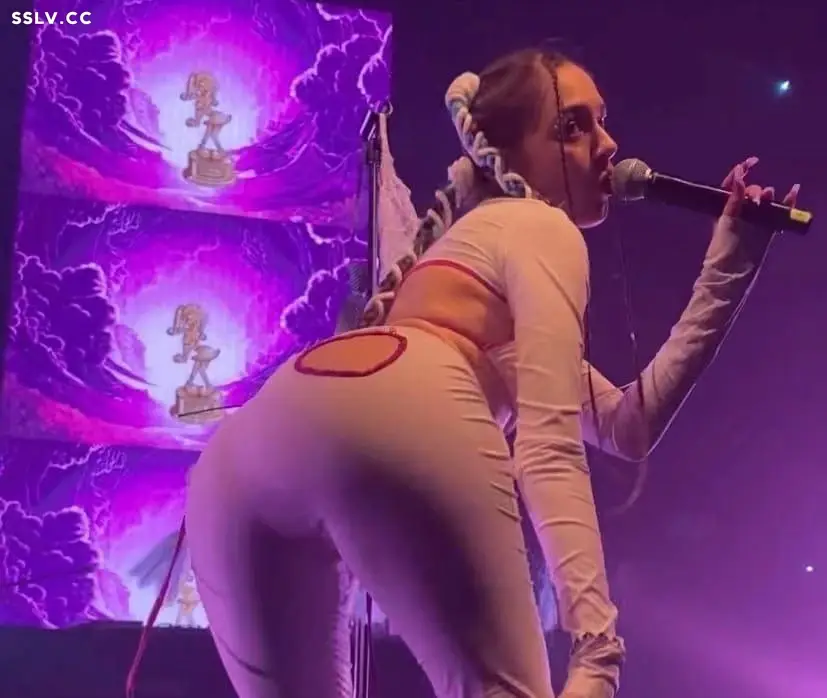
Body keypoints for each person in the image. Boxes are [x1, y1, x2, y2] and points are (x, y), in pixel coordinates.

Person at [184, 47, 799, 698]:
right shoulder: (536, 224)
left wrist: (728, 267)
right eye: (572, 126)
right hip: (400, 402)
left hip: (247, 448)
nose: (607, 143)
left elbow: (626, 427)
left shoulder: (465, 260)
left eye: (602, 120)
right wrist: (596, 649)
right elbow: (548, 445)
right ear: (508, 156)